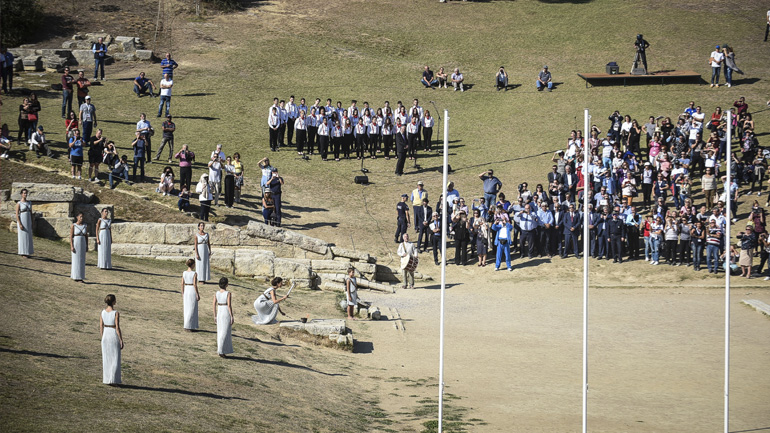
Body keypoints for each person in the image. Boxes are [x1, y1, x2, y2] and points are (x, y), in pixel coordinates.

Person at [100, 294, 123, 385]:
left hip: (105, 334)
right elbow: (117, 328)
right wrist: (121, 339)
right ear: (113, 302)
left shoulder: (102, 312)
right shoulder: (115, 313)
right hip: (113, 334)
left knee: (107, 358)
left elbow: (101, 326)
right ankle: (113, 379)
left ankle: (107, 379)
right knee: (115, 358)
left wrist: (102, 337)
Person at [214, 277, 234, 357]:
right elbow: (229, 305)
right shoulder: (228, 293)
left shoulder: (217, 293)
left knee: (220, 331)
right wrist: (232, 316)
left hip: (219, 311)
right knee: (224, 332)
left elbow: (213, 304)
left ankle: (221, 350)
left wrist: (215, 315)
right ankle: (221, 351)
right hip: (225, 311)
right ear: (226, 284)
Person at [181, 258, 200, 331]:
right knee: (192, 308)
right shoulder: (194, 273)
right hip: (191, 289)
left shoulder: (184, 273)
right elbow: (195, 284)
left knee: (187, 308)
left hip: (186, 289)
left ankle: (187, 325)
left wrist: (183, 292)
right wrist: (197, 293)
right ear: (192, 265)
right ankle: (189, 325)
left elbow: (182, 283)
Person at [70, 212, 87, 282]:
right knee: (75, 260)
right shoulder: (73, 225)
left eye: (82, 217)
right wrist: (71, 246)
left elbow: (86, 236)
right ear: (77, 217)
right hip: (76, 242)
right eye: (80, 217)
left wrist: (87, 245)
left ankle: (81, 277)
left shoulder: (85, 225)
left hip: (83, 243)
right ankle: (75, 276)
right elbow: (71, 236)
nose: (81, 218)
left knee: (82, 260)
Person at [16, 188, 33, 258]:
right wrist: (19, 223)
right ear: (21, 194)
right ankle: (23, 252)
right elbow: (17, 214)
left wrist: (32, 221)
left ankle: (28, 251)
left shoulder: (29, 203)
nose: (25, 194)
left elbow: (31, 213)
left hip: (28, 220)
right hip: (22, 220)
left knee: (28, 236)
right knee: (22, 236)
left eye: (26, 193)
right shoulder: (19, 203)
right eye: (24, 193)